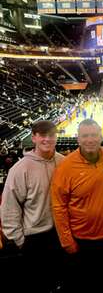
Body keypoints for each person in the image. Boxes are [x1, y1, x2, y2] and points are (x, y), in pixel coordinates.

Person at [50, 118, 103, 293]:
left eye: (94, 135)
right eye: (85, 136)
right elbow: (58, 207)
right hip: (80, 239)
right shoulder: (65, 167)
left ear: (101, 136)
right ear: (78, 139)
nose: (90, 140)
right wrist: (67, 241)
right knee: (81, 283)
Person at [1, 120, 64, 293]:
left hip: (61, 235)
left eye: (51, 135)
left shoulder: (64, 163)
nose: (47, 139)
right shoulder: (20, 169)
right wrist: (19, 240)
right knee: (37, 284)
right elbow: (9, 208)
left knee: (59, 280)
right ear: (34, 138)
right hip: (34, 238)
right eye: (42, 135)